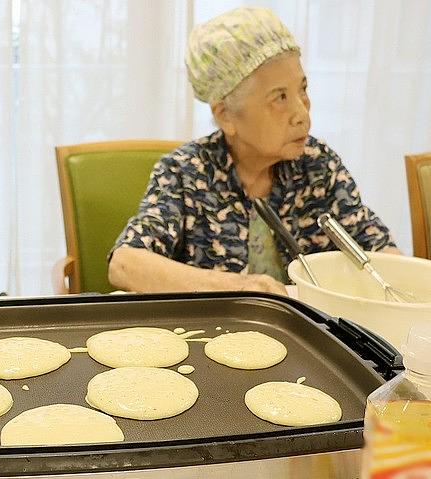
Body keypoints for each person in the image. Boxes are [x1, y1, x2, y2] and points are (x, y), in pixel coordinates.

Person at [108, 7, 398, 295]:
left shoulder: (317, 165)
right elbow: (125, 264)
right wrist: (244, 287)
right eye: (280, 97)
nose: (302, 114)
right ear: (226, 116)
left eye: (303, 89)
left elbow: (379, 251)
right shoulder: (184, 172)